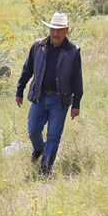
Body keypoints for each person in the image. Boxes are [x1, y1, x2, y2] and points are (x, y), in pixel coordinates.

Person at [15, 12, 83, 175]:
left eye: (59, 30)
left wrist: (76, 104)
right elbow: (27, 69)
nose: (55, 33)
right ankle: (39, 150)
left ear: (66, 30)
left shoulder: (73, 52)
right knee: (33, 129)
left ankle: (46, 167)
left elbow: (77, 80)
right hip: (39, 97)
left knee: (54, 135)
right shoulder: (38, 46)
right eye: (53, 29)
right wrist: (20, 90)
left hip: (60, 100)